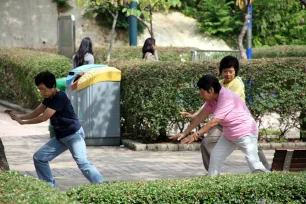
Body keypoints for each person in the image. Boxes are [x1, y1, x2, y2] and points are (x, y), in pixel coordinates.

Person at [5, 71, 103, 187]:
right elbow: (37, 112)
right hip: (60, 137)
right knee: (39, 158)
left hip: (73, 135)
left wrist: (23, 123)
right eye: (39, 89)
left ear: (52, 86)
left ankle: (101, 186)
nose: (42, 92)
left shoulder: (59, 97)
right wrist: (19, 118)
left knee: (82, 162)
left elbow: (43, 117)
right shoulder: (49, 97)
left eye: (43, 89)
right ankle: (49, 187)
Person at [179, 56, 268, 171]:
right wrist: (185, 132)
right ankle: (212, 182)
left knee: (254, 164)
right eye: (225, 71)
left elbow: (213, 122)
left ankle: (268, 175)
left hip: (244, 132)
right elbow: (203, 114)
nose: (227, 74)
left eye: (202, 92)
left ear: (210, 90)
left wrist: (196, 135)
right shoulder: (214, 94)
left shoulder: (227, 96)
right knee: (215, 159)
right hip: (229, 133)